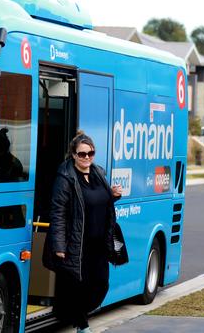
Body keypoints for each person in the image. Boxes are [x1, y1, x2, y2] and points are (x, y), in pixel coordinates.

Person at [42, 130, 124, 333]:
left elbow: (96, 204)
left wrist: (112, 195)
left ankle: (72, 313)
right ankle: (82, 325)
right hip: (76, 243)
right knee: (78, 288)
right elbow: (58, 212)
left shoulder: (98, 173)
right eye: (82, 154)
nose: (87, 157)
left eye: (90, 153)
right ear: (73, 155)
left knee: (101, 285)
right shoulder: (66, 178)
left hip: (99, 244)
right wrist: (59, 246)